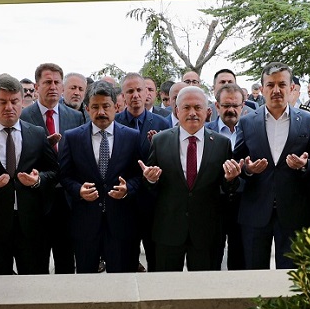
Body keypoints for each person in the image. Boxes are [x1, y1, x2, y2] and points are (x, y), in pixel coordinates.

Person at [140, 87, 242, 271]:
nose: (192, 113)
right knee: (165, 290)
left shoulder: (221, 143)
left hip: (206, 232)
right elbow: (150, 187)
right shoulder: (160, 141)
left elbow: (228, 189)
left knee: (205, 292)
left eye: (198, 107)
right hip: (168, 230)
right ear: (177, 111)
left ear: (207, 111)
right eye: (186, 107)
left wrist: (231, 179)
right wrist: (150, 180)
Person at [0, 74, 57, 275]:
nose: (9, 107)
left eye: (14, 101)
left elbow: (55, 172)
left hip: (32, 226)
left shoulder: (37, 134)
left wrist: (37, 180)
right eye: (3, 102)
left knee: (34, 284)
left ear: (21, 102)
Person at [232, 63, 310, 269]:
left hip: (294, 212)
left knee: (292, 279)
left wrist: (305, 165)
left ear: (291, 88)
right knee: (254, 275)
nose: (276, 90)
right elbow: (238, 162)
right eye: (270, 85)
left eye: (282, 84)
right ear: (262, 89)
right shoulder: (247, 122)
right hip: (255, 211)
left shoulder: (306, 120)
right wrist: (247, 169)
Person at [59, 81, 148, 273]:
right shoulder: (72, 137)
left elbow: (138, 175)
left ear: (116, 106)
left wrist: (127, 190)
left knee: (122, 282)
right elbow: (65, 176)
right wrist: (79, 191)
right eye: (95, 107)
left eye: (106, 106)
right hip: (85, 225)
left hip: (121, 225)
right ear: (87, 108)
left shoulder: (132, 137)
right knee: (87, 283)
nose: (101, 112)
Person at [20, 62, 86, 273]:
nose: (53, 87)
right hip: (37, 200)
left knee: (66, 261)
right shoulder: (23, 117)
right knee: (37, 262)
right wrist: (41, 146)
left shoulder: (75, 117)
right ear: (37, 86)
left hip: (67, 202)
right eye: (47, 82)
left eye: (57, 82)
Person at [116, 72, 171, 270]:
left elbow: (168, 162)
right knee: (126, 260)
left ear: (147, 92)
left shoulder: (161, 123)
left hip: (153, 203)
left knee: (156, 259)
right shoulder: (115, 122)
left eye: (139, 90)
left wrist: (156, 144)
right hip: (125, 202)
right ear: (123, 95)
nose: (135, 95)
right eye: (130, 91)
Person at [207, 84, 248, 270]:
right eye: (225, 105)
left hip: (243, 205)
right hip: (213, 205)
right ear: (217, 106)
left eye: (235, 105)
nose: (230, 110)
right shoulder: (205, 131)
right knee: (211, 259)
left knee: (239, 260)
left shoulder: (252, 131)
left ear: (243, 106)